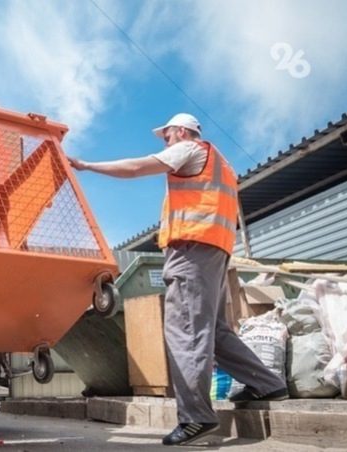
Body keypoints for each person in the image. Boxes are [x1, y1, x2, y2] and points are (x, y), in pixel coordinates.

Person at [68, 113, 288, 447]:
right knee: (213, 331)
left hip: (192, 250)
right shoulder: (221, 163)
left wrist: (86, 165)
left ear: (182, 131)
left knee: (185, 332)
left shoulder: (189, 148)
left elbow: (137, 167)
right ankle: (268, 384)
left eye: (167, 136)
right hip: (214, 251)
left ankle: (196, 416)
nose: (165, 142)